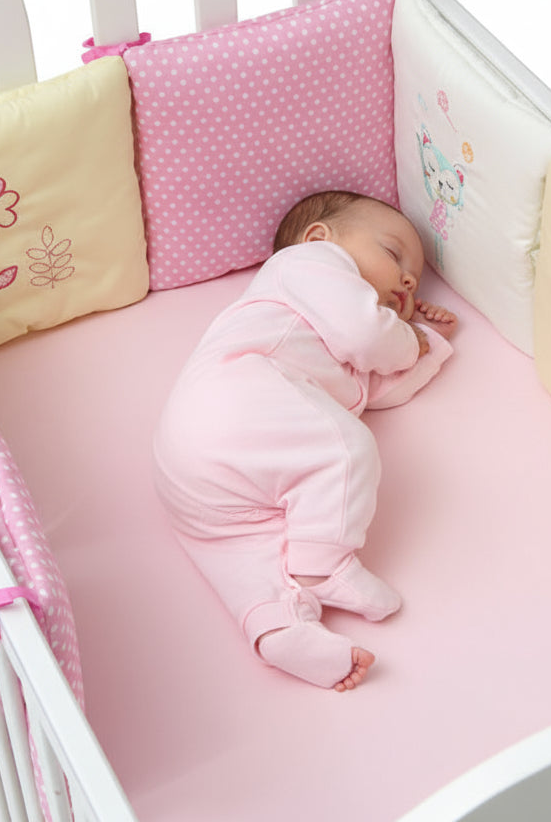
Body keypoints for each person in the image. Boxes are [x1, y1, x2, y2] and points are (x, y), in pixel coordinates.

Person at [153, 191, 457, 691]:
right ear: (320, 237)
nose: (407, 280)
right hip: (234, 395)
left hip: (194, 467)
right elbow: (368, 337)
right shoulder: (307, 264)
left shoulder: (328, 340)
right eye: (394, 253)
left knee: (242, 547)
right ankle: (325, 567)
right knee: (345, 449)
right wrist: (405, 340)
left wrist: (426, 342)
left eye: (414, 280)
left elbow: (379, 388)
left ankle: (279, 628)